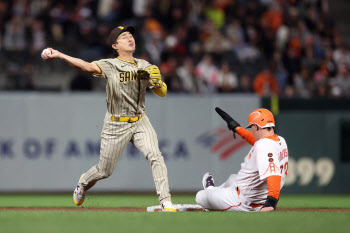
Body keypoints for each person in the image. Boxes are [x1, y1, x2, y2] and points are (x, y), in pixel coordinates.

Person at [42, 26, 177, 212]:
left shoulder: (146, 65)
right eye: (124, 37)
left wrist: (159, 82)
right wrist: (60, 55)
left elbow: (162, 93)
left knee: (156, 156)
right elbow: (86, 66)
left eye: (131, 35)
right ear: (115, 45)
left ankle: (165, 201)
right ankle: (83, 182)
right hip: (116, 123)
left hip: (140, 121)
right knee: (104, 171)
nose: (130, 38)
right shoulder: (110, 65)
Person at [196, 108, 289, 212]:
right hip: (256, 196)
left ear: (256, 127)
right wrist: (237, 128)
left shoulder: (263, 146)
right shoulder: (280, 140)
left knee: (200, 196)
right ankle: (217, 191)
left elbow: (273, 174)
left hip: (243, 202)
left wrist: (271, 202)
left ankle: (211, 189)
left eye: (251, 127)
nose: (252, 130)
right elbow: (257, 141)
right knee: (232, 178)